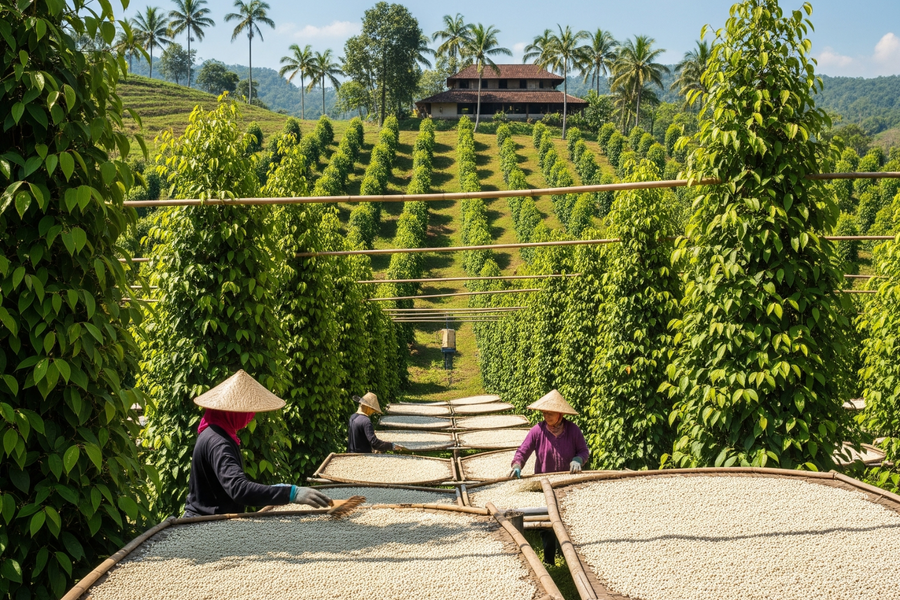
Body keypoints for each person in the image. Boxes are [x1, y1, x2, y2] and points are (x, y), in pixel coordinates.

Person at [183, 370, 331, 517]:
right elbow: (238, 489)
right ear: (234, 411)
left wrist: (275, 490)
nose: (251, 416)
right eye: (248, 411)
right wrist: (291, 493)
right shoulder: (219, 443)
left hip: (212, 519)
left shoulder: (214, 431)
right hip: (204, 524)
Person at [508, 389, 590, 564]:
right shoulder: (537, 431)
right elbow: (523, 451)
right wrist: (517, 465)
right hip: (544, 482)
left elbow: (583, 451)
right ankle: (549, 559)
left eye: (550, 413)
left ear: (560, 414)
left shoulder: (573, 430)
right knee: (547, 524)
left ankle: (570, 557)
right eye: (544, 413)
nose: (546, 416)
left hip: (567, 482)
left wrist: (578, 459)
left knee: (568, 519)